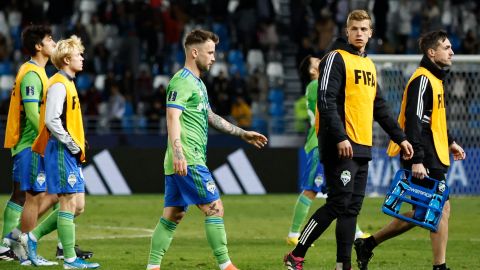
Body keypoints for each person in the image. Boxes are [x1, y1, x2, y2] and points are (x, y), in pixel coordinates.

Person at [283, 10, 414, 270]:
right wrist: (340, 137)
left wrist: (400, 138)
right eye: (354, 29)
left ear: (371, 33)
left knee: (351, 210)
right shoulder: (335, 58)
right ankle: (296, 255)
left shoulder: (368, 65)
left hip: (363, 146)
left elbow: (380, 107)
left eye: (364, 29)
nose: (359, 33)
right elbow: (326, 100)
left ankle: (342, 265)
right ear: (347, 31)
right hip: (339, 145)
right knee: (337, 204)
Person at [146, 29, 268, 270]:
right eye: (210, 52)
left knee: (173, 215)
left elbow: (210, 116)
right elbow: (172, 117)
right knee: (215, 208)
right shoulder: (181, 81)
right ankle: (226, 265)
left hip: (180, 160)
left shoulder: (198, 84)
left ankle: (153, 266)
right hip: (187, 158)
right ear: (194, 52)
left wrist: (242, 133)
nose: (214, 57)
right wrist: (179, 153)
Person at [354, 30, 466, 270]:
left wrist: (451, 141)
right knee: (440, 207)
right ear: (431, 52)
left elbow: (434, 120)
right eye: (446, 47)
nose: (452, 51)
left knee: (423, 212)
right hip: (422, 155)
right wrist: (417, 159)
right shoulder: (422, 79)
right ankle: (440, 266)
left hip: (430, 152)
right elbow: (413, 122)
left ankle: (368, 243)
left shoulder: (434, 79)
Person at [29, 35, 100, 269]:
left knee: (77, 205)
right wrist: (71, 143)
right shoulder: (59, 83)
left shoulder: (68, 82)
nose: (82, 58)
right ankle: (70, 260)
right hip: (60, 150)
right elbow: (51, 119)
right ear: (67, 59)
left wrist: (78, 141)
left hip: (69, 151)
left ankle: (31, 236)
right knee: (68, 203)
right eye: (79, 54)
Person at [286, 55, 369, 247]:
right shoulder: (316, 85)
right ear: (312, 71)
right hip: (318, 144)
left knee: (340, 192)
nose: (322, 62)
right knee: (311, 190)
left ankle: (356, 233)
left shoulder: (318, 85)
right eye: (317, 62)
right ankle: (294, 233)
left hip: (325, 143)